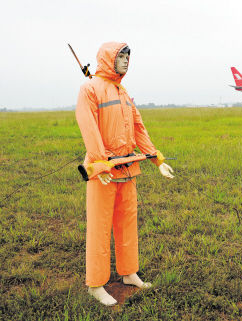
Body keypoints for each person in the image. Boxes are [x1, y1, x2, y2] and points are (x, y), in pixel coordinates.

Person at [75, 42, 174, 306]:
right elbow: (89, 129)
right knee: (99, 229)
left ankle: (129, 273)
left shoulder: (122, 91)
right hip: (103, 173)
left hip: (128, 170)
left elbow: (138, 127)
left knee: (127, 225)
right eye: (121, 56)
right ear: (108, 58)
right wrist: (100, 163)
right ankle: (95, 284)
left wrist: (157, 159)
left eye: (129, 56)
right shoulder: (89, 88)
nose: (126, 60)